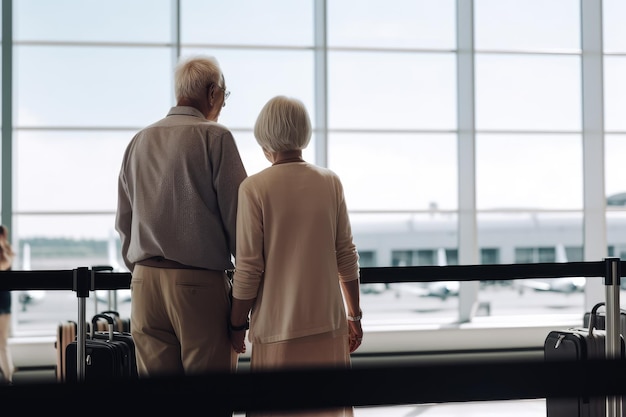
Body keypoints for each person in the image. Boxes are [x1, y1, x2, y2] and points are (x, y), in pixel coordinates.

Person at [115, 54, 247, 380]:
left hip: (144, 284)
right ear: (213, 93)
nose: (222, 105)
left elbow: (124, 221)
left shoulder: (138, 141)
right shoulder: (215, 137)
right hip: (198, 285)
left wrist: (142, 270)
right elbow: (241, 224)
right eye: (224, 97)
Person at [229, 96, 363, 416]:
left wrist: (236, 325)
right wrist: (354, 316)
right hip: (328, 326)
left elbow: (249, 268)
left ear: (264, 137)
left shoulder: (254, 188)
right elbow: (346, 255)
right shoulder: (330, 182)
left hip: (278, 330)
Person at [0, 225, 15, 385]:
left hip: (3, 301)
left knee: (2, 341)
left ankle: (8, 377)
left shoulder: (5, 253)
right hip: (4, 300)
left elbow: (3, 267)